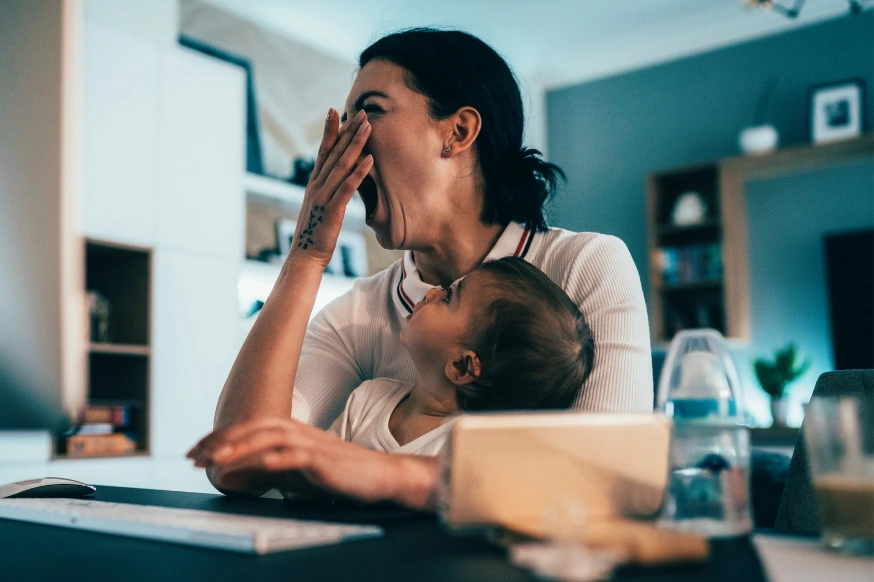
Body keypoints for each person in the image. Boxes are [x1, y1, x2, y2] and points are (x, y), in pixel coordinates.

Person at [187, 28, 652, 508]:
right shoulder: (357, 315)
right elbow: (235, 464)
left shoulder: (587, 265)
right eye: (345, 121)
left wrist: (385, 474)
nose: (345, 142)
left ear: (458, 132)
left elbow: (612, 477)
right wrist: (305, 257)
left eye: (369, 112)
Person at [329, 256, 594, 455]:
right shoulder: (366, 400)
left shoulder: (471, 452)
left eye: (447, 298)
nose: (431, 292)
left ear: (462, 367)